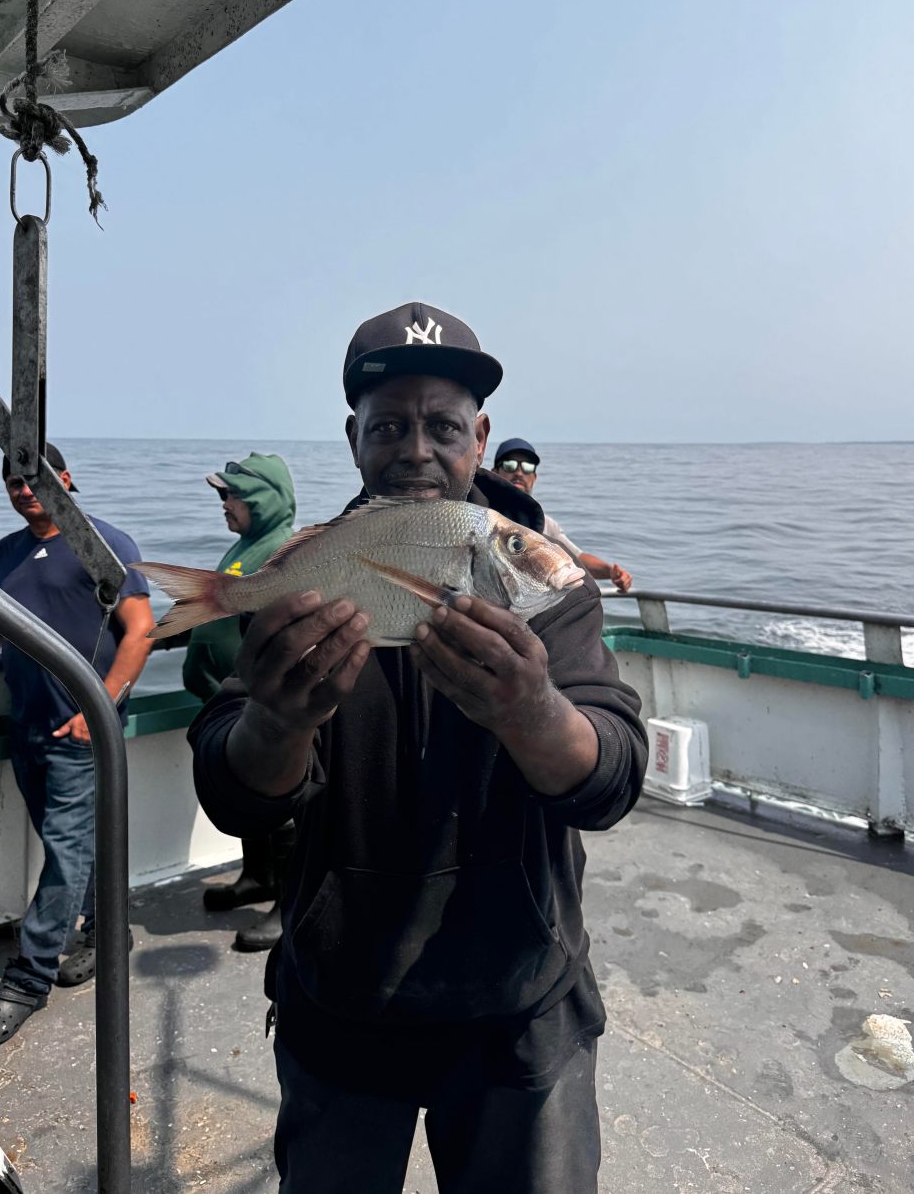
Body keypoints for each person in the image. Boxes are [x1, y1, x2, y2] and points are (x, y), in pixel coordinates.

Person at [188, 302, 648, 1193]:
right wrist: (279, 723)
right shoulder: (310, 570)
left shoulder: (541, 581)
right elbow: (235, 790)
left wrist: (532, 712)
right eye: (389, 425)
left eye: (442, 426)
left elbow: (613, 774)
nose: (416, 449)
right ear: (354, 437)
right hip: (343, 1003)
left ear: (478, 437)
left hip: (522, 1009)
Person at [0, 444, 153, 1047]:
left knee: (66, 850)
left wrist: (104, 703)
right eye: (14, 482)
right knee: (66, 842)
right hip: (29, 727)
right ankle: (105, 929)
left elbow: (141, 629)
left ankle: (27, 980)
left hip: (80, 731)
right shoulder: (5, 554)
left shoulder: (104, 543)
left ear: (65, 479)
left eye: (35, 478)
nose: (24, 489)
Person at [183, 453, 298, 951]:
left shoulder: (283, 553)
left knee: (284, 810)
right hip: (221, 701)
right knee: (244, 796)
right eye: (220, 494)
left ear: (262, 500)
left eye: (231, 495)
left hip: (263, 709)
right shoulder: (245, 547)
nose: (224, 504)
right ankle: (258, 877)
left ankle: (290, 906)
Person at [492, 437, 633, 592]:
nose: (519, 472)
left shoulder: (546, 524)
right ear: (494, 472)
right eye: (510, 465)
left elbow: (576, 558)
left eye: (527, 467)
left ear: (534, 478)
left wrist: (610, 571)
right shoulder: (482, 515)